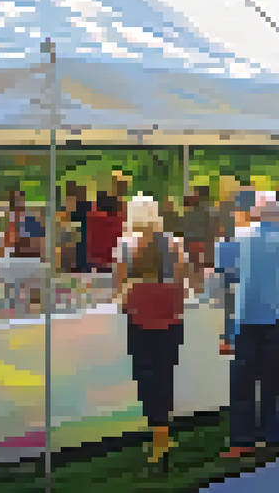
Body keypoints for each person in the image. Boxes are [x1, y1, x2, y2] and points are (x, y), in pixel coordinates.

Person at [213, 190, 279, 458]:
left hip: (244, 319)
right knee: (271, 379)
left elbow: (225, 282)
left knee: (242, 383)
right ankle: (271, 437)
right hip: (276, 318)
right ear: (278, 214)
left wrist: (227, 331)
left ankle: (242, 441)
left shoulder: (237, 239)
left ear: (255, 213)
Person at [113, 195, 194, 473]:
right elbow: (184, 283)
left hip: (140, 318)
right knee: (165, 376)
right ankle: (162, 437)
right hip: (170, 318)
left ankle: (158, 440)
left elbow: (119, 285)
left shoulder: (126, 244)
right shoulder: (175, 243)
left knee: (147, 378)